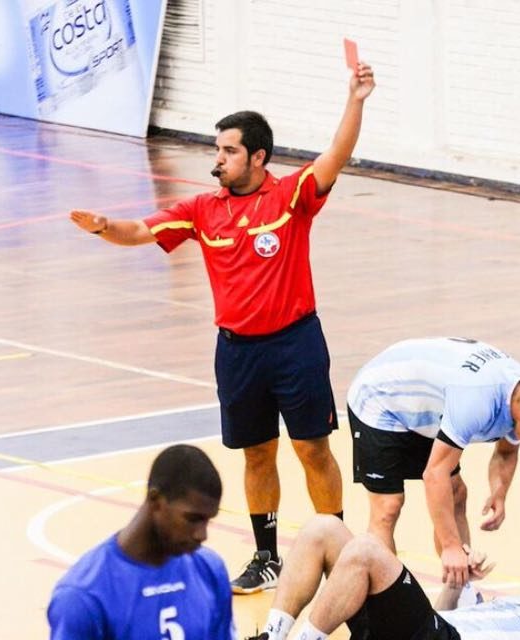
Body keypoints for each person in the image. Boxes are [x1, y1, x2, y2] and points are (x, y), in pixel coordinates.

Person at [69, 61, 376, 595]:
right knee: (257, 453)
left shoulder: (290, 199)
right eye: (217, 150)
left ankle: (340, 549)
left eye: (229, 151)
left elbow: (336, 156)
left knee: (312, 449)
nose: (219, 160)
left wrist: (356, 99)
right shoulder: (202, 210)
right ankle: (266, 556)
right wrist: (104, 228)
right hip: (236, 352)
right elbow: (141, 229)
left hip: (296, 345)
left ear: (258, 156)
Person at [346, 337, 520, 591]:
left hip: (426, 406)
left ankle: (461, 591)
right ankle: (387, 604)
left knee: (456, 494)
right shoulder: (476, 403)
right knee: (388, 507)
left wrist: (499, 494)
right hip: (381, 398)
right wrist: (450, 547)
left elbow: (506, 452)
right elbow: (435, 474)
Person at [246, 515, 520, 640]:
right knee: (324, 528)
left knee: (365, 552)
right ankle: (273, 635)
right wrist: (456, 583)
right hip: (435, 630)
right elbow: (440, 615)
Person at [47, 444, 235, 639]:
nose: (202, 535)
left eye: (207, 520)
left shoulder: (210, 570)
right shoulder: (83, 596)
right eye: (192, 519)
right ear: (155, 500)